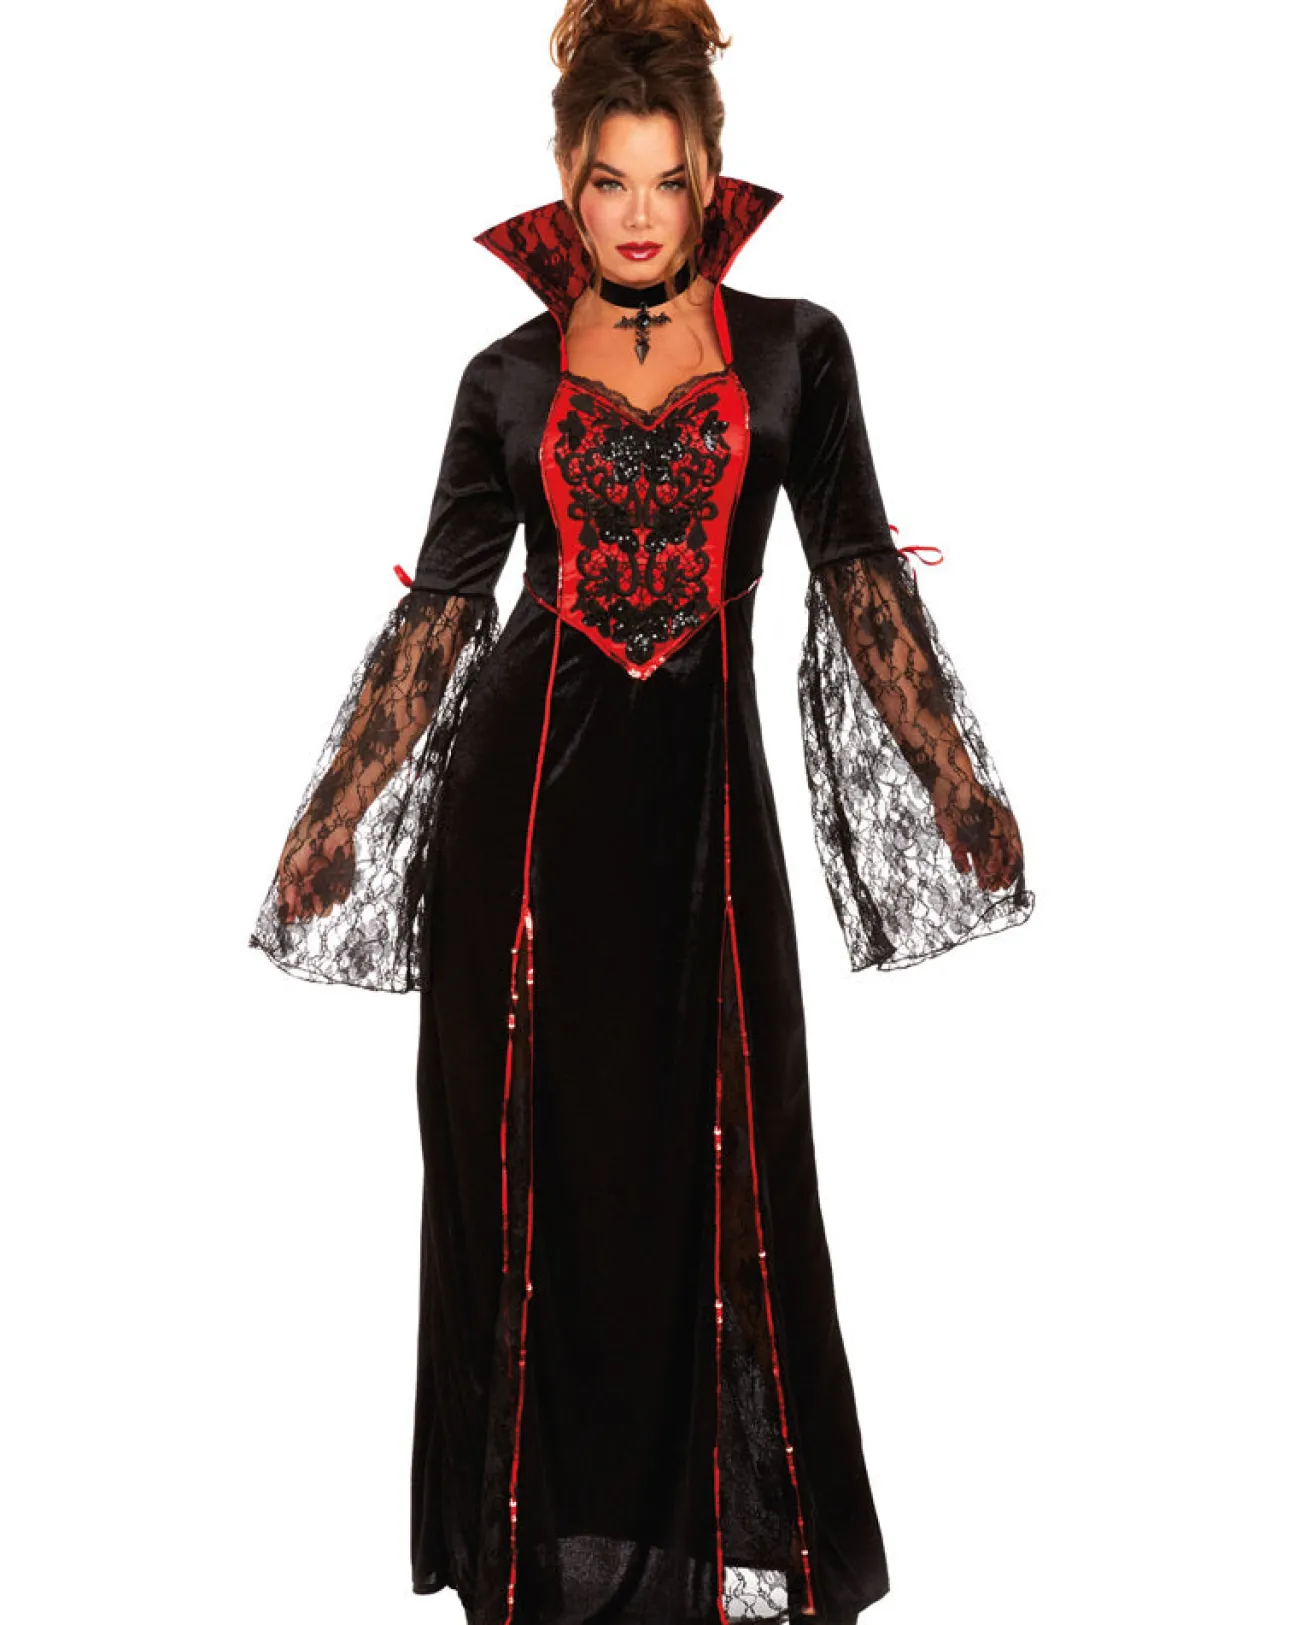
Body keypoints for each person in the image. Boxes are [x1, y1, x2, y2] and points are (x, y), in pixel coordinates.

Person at [248, 2, 1035, 1621]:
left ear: (709, 178)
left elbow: (858, 577)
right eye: (607, 180)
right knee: (534, 1191)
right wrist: (337, 815)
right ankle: (540, 1567)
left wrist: (953, 777)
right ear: (568, 179)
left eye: (666, 179)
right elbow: (446, 617)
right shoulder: (504, 378)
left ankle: (706, 1562)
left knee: (726, 1170)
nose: (635, 213)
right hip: (523, 845)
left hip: (702, 849)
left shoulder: (797, 350)